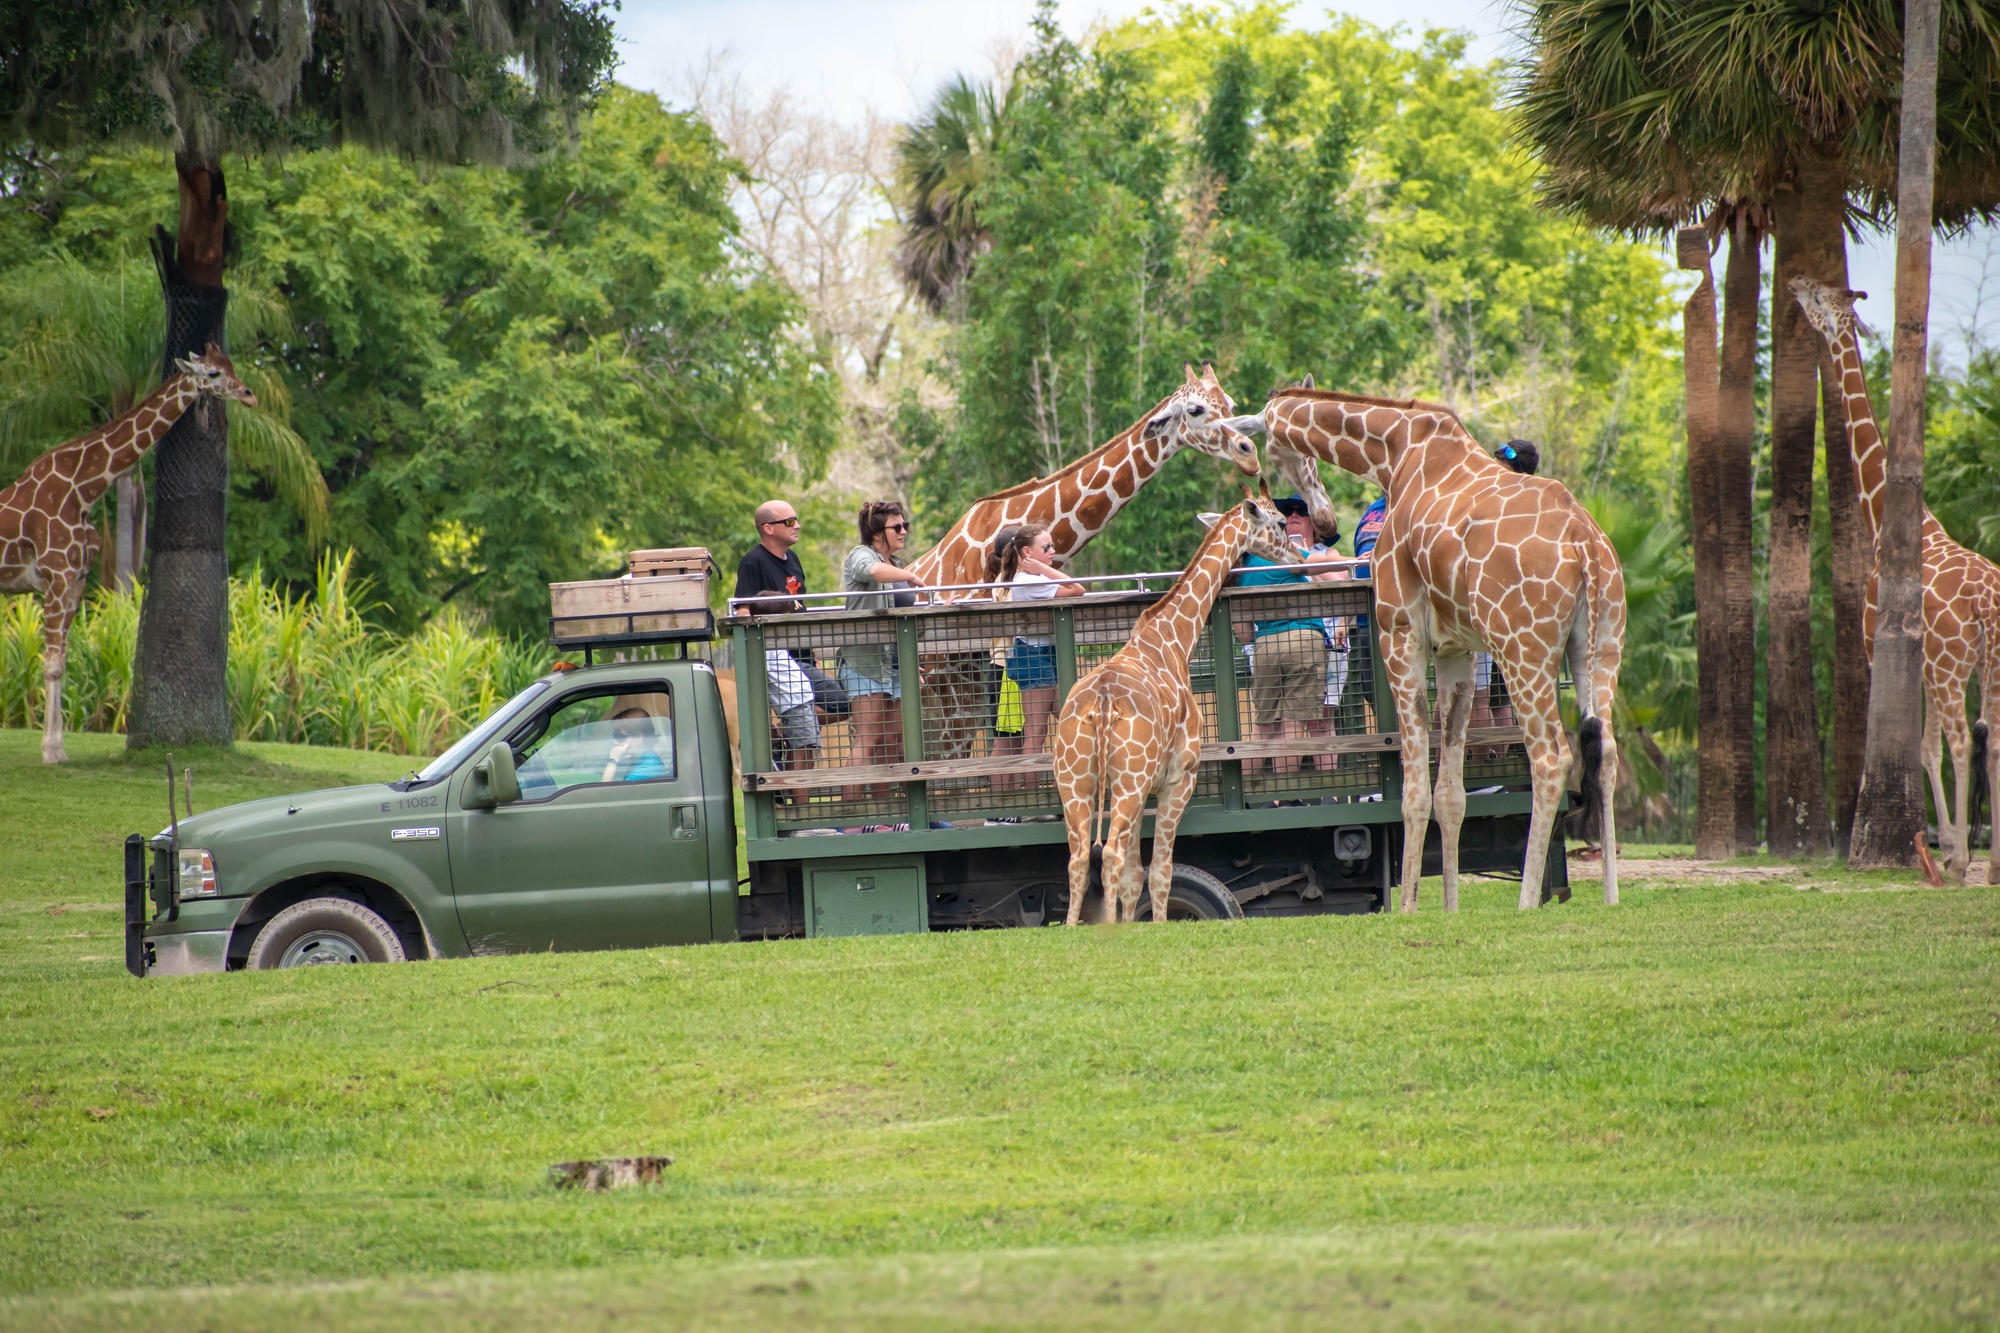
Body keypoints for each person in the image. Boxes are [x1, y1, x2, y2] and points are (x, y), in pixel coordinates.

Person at [1239, 495, 1344, 782]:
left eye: (1302, 511)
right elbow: (1341, 577)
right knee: (1294, 721)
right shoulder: (1285, 552)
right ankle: (1284, 797)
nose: (1293, 516)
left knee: (1263, 724)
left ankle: (1242, 795)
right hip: (1303, 640)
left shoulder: (1242, 564)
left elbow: (1244, 633)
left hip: (1264, 646)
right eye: (1287, 513)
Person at [837, 501, 928, 798]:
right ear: (877, 532)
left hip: (895, 666)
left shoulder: (897, 565)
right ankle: (849, 821)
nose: (903, 531)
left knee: (894, 741)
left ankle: (886, 814)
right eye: (897, 527)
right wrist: (911, 577)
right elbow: (870, 571)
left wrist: (908, 662)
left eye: (905, 526)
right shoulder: (860, 555)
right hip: (864, 663)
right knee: (868, 740)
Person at [986, 524, 1083, 791]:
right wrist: (1042, 570)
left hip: (1044, 655)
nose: (1053, 551)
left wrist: (1043, 570)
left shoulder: (1028, 578)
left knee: (1069, 724)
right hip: (1031, 657)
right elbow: (1077, 589)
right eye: (1047, 547)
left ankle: (1063, 791)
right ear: (1026, 552)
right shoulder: (1027, 580)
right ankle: (1032, 800)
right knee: (1033, 734)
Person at [734, 499, 818, 780]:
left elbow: (800, 605)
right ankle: (783, 736)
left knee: (840, 703)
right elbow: (743, 609)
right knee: (810, 728)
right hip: (780, 661)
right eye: (790, 521)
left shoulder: (793, 560)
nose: (798, 526)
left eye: (796, 519)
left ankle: (781, 733)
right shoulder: (753, 562)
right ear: (768, 528)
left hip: (803, 656)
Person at [601, 707, 670, 783]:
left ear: (638, 738)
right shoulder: (641, 762)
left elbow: (605, 793)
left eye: (620, 737)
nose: (615, 742)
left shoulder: (645, 770)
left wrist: (613, 761)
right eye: (615, 736)